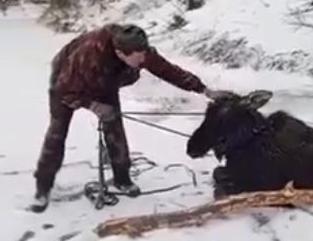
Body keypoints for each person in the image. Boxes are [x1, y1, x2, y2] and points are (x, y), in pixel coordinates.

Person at [31, 23, 231, 213]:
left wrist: (204, 90)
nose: (144, 60)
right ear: (120, 53)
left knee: (114, 126)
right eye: (139, 58)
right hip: (68, 83)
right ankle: (43, 187)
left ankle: (122, 179)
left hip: (105, 81)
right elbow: (63, 89)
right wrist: (92, 105)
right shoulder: (88, 56)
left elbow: (169, 71)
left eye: (145, 54)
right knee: (57, 133)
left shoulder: (139, 50)